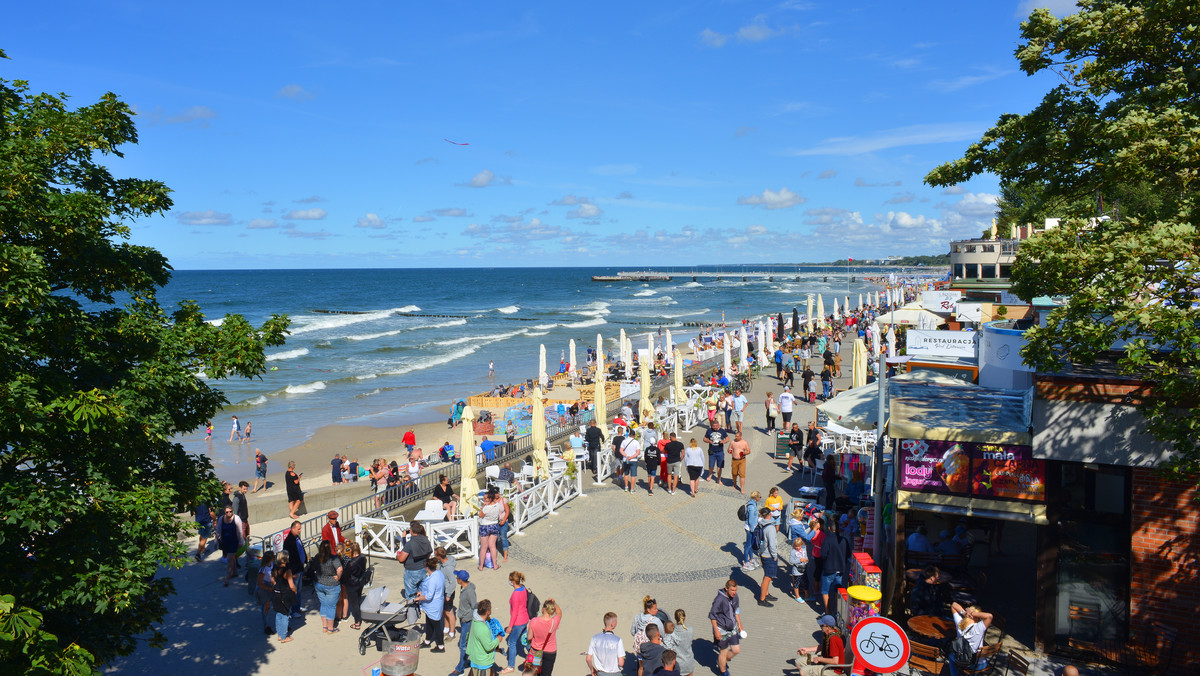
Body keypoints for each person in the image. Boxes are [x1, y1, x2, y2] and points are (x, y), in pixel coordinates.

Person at [708, 580, 744, 676]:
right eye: (732, 590)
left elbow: (736, 611)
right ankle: (723, 672)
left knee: (736, 650)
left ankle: (721, 661)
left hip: (732, 629)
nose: (734, 592)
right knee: (723, 651)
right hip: (721, 630)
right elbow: (712, 616)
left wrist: (740, 625)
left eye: (735, 590)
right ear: (726, 588)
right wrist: (716, 631)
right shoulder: (719, 600)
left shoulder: (735, 596)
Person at [307, 540, 343, 634]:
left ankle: (325, 626)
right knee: (331, 606)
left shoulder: (317, 558)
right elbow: (340, 569)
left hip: (319, 583)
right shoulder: (333, 558)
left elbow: (312, 568)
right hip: (331, 584)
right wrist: (338, 576)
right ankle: (331, 628)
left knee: (323, 604)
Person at [949, 602, 993, 676]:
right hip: (979, 665)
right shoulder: (979, 628)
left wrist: (965, 613)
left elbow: (953, 605)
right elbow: (989, 616)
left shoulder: (960, 623)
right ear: (977, 617)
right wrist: (973, 613)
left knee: (951, 657)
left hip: (962, 660)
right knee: (978, 661)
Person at [414, 558, 447, 652]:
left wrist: (419, 598)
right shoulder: (439, 573)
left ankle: (441, 646)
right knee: (429, 624)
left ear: (427, 568)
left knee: (437, 626)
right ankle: (427, 641)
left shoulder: (433, 579)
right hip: (435, 604)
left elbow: (429, 596)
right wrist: (422, 593)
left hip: (433, 606)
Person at [819, 514, 849, 614]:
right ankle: (837, 610)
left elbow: (823, 555)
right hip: (840, 569)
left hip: (829, 569)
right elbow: (848, 554)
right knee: (838, 590)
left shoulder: (827, 540)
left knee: (825, 590)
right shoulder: (844, 540)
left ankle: (827, 611)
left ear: (829, 528)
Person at [527, 597, 563, 676]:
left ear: (543, 609)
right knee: (546, 673)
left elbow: (529, 637)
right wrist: (554, 602)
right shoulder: (554, 621)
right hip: (550, 652)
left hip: (536, 650)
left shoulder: (534, 621)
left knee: (534, 671)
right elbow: (559, 613)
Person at [466, 599, 502, 675]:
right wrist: (498, 640)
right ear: (487, 612)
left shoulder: (475, 620)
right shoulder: (483, 628)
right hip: (482, 662)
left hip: (475, 657)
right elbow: (488, 646)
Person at [452, 570, 477, 675]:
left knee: (463, 645)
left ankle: (460, 669)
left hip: (467, 620)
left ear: (461, 580)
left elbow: (474, 606)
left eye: (457, 577)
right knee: (465, 643)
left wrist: (465, 617)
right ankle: (466, 661)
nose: (456, 579)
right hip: (464, 619)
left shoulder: (469, 591)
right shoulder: (464, 587)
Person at [586, 612, 625, 676]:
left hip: (601, 673)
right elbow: (621, 663)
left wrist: (592, 669)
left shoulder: (594, 638)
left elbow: (588, 659)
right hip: (615, 673)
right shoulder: (618, 640)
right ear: (612, 624)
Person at [755, 508, 780, 608]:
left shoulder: (761, 523)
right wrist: (775, 556)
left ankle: (766, 593)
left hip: (763, 553)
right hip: (769, 555)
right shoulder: (770, 527)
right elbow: (772, 544)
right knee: (768, 577)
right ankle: (762, 599)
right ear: (770, 514)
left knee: (766, 575)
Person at [282, 520, 307, 617]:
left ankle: (298, 606)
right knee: (294, 590)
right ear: (292, 529)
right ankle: (293, 611)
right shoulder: (289, 541)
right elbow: (287, 558)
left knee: (299, 589)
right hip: (294, 570)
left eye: (300, 528)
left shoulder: (297, 538)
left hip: (300, 567)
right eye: (298, 529)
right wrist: (291, 572)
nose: (300, 530)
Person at [272, 551, 297, 643]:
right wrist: (295, 591)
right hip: (285, 594)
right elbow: (291, 585)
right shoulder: (287, 570)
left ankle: (279, 634)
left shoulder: (275, 568)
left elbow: (272, 580)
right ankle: (283, 636)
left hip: (277, 593)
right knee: (285, 615)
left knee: (278, 614)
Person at [216, 505, 244, 587]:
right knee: (232, 558)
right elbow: (218, 530)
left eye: (230, 511)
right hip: (225, 542)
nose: (229, 513)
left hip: (234, 542)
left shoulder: (237, 519)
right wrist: (215, 542)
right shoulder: (221, 519)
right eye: (227, 512)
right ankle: (235, 572)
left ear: (233, 511)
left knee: (229, 559)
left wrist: (241, 541)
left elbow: (239, 532)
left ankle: (227, 578)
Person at [342, 541, 368, 629]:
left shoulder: (351, 563)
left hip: (352, 584)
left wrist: (342, 582)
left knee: (354, 603)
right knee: (358, 600)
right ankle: (359, 617)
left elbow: (345, 575)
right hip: (360, 582)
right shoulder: (363, 558)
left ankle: (357, 622)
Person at [662, 609, 694, 676]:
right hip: (688, 662)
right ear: (685, 617)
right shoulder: (690, 629)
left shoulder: (671, 631)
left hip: (676, 663)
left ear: (674, 618)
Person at [478, 490, 503, 570]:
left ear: (490, 498)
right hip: (494, 525)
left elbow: (480, 515)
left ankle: (481, 566)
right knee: (492, 546)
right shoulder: (497, 505)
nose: (485, 500)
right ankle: (495, 565)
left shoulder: (486, 507)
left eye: (486, 498)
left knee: (483, 547)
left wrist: (483, 506)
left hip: (485, 526)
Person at [256, 550, 276, 634]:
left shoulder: (272, 565)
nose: (274, 558)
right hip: (265, 589)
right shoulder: (263, 569)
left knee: (268, 606)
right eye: (273, 557)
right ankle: (266, 625)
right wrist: (269, 589)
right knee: (266, 607)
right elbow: (259, 583)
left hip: (270, 587)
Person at [741, 491, 762, 571]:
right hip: (750, 528)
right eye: (759, 497)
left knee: (750, 544)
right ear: (756, 498)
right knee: (748, 545)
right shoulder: (752, 506)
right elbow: (751, 520)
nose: (760, 498)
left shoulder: (752, 503)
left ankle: (751, 559)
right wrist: (753, 530)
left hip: (750, 527)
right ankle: (746, 562)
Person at [704, 420, 727, 485]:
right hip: (712, 451)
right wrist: (709, 441)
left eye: (716, 427)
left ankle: (719, 479)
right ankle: (710, 474)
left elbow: (727, 438)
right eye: (714, 427)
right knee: (711, 465)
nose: (715, 428)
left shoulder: (722, 431)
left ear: (718, 425)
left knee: (719, 466)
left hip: (720, 451)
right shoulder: (709, 430)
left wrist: (723, 442)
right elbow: (704, 439)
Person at [788, 536, 809, 604]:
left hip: (803, 568)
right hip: (797, 570)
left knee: (806, 582)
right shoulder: (793, 552)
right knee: (797, 583)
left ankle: (807, 595)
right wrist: (799, 560)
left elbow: (806, 557)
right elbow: (791, 560)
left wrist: (806, 560)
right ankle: (797, 596)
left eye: (798, 546)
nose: (797, 548)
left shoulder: (804, 550)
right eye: (796, 546)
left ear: (801, 545)